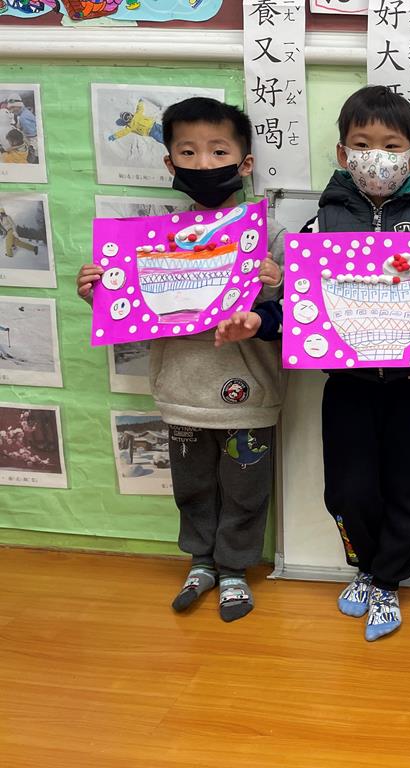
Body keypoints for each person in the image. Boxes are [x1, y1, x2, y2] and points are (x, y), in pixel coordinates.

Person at [216, 85, 410, 641]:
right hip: (347, 384)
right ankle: (365, 567)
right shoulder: (319, 226)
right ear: (343, 153)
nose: (376, 156)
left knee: (408, 486)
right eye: (362, 145)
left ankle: (388, 582)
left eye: (390, 145)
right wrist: (260, 322)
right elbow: (297, 308)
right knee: (348, 489)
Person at [76, 97, 287, 622]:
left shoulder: (272, 238)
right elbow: (129, 308)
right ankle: (201, 562)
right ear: (169, 164)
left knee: (246, 489)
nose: (203, 163)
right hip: (180, 391)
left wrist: (276, 284)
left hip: (249, 395)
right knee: (191, 486)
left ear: (245, 163)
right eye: (188, 153)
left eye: (218, 151)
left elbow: (301, 317)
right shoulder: (153, 238)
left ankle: (234, 568)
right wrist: (101, 292)